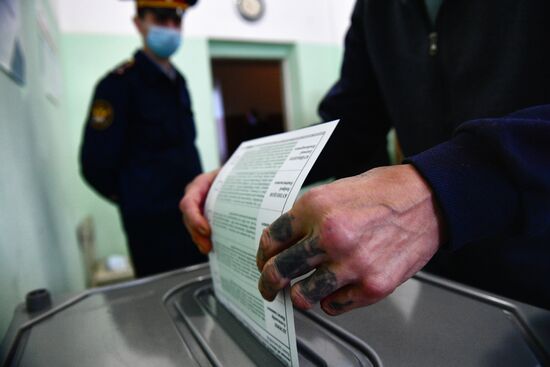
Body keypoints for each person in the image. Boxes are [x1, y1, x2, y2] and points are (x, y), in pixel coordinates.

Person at [180, 0, 550, 313]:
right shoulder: (375, 9)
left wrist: (442, 190)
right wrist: (244, 174)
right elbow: (352, 124)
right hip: (441, 282)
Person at [80, 0, 206, 278]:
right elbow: (94, 164)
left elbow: (185, 147)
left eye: (177, 20)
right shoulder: (117, 85)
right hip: (151, 228)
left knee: (201, 292)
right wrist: (135, 198)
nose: (171, 28)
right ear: (139, 23)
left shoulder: (179, 82)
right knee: (161, 305)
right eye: (161, 18)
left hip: (193, 214)